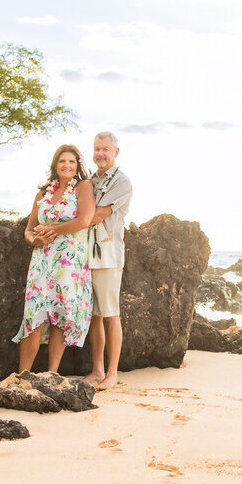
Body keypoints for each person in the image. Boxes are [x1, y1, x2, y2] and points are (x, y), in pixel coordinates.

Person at [12, 144, 96, 374]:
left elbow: (85, 220)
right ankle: (22, 376)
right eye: (62, 162)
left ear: (78, 165)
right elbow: (29, 229)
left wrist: (52, 231)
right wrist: (34, 241)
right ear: (55, 165)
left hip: (69, 262)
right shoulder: (43, 193)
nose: (67, 166)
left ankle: (51, 374)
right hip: (42, 261)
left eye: (71, 162)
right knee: (34, 315)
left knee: (61, 314)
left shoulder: (83, 187)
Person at [84, 131, 133, 390]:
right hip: (85, 254)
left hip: (108, 254)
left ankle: (112, 373)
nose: (100, 153)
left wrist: (59, 227)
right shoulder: (90, 179)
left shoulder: (122, 182)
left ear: (115, 152)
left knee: (111, 314)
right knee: (94, 315)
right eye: (96, 149)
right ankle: (97, 370)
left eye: (105, 149)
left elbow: (96, 214)